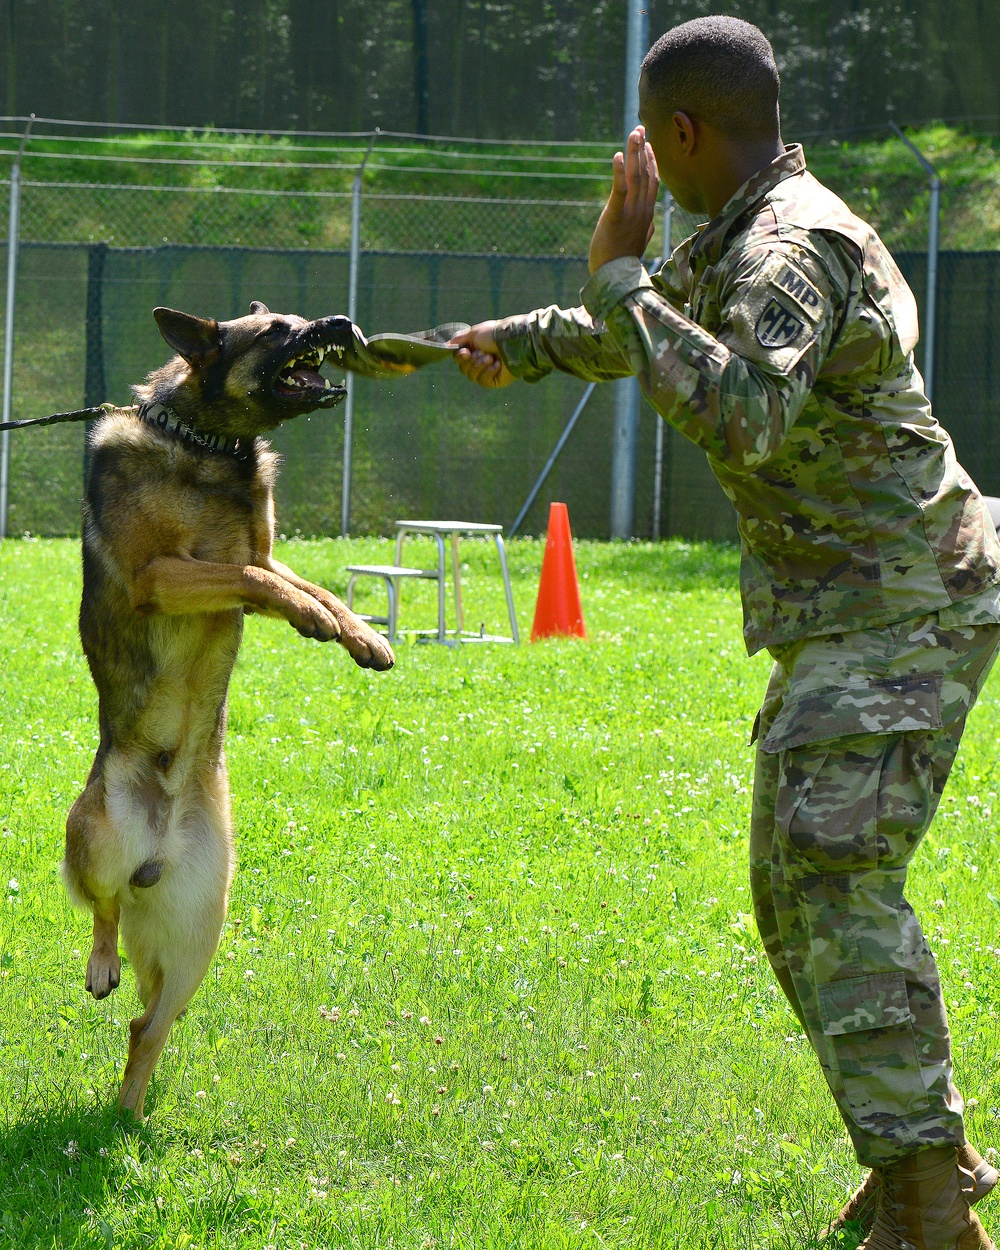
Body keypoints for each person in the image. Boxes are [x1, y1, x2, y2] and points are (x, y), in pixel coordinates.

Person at [451, 16, 1000, 1250]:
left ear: (682, 133)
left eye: (648, 146)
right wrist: (512, 342)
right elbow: (637, 333)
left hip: (907, 596)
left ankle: (926, 1201)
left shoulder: (790, 248)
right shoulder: (741, 231)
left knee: (835, 876)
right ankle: (922, 1144)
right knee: (788, 892)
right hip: (859, 604)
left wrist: (620, 273)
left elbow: (740, 409)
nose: (640, 172)